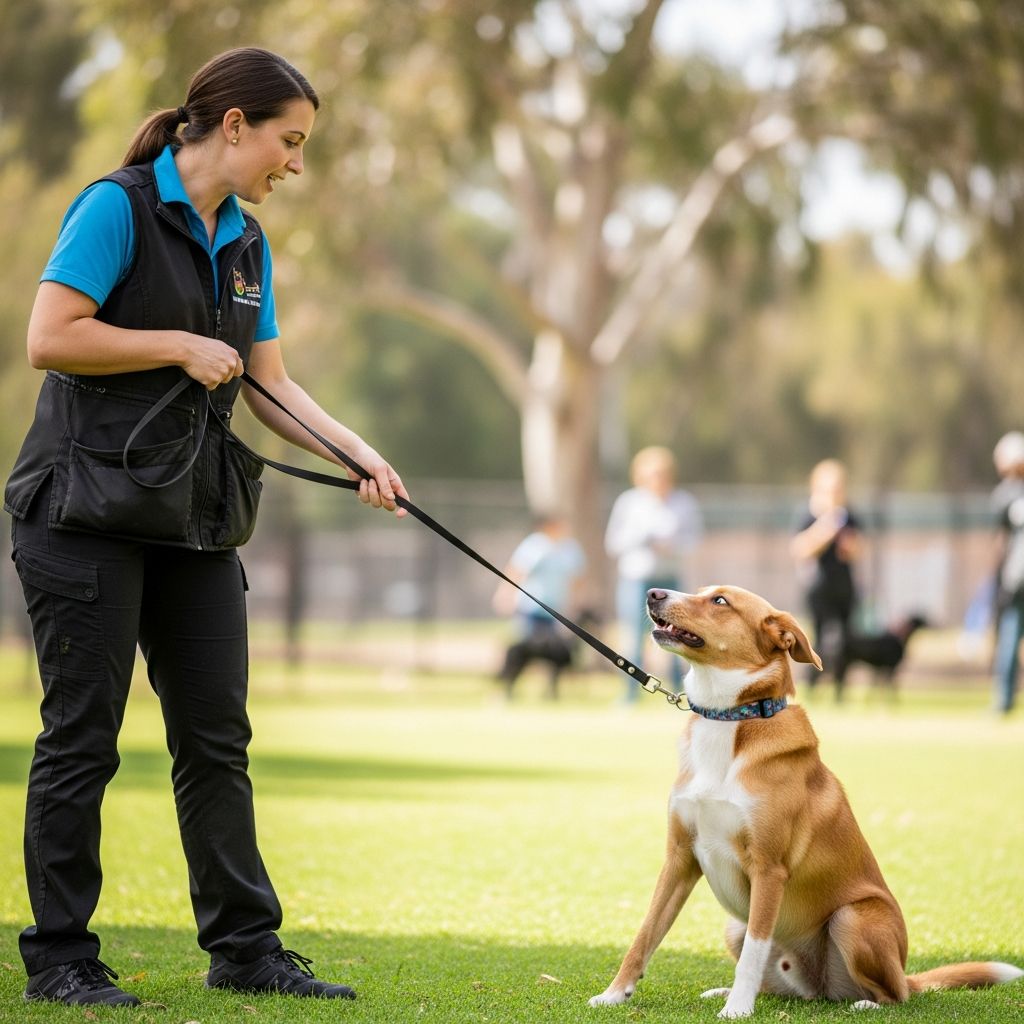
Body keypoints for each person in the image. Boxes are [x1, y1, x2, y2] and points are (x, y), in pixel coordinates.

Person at [4, 48, 409, 1007]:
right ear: (234, 125)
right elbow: (49, 337)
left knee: (216, 737)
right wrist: (178, 345)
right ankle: (62, 957)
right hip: (81, 515)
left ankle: (245, 949)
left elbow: (268, 380)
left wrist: (359, 452)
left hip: (192, 517)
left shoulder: (246, 241)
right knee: (83, 738)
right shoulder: (118, 206)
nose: (295, 163)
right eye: (290, 140)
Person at [604, 447, 703, 702]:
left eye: (661, 474)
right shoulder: (629, 502)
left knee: (677, 637)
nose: (657, 479)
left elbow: (694, 540)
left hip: (669, 580)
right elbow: (613, 543)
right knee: (633, 638)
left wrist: (672, 546)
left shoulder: (683, 502)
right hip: (636, 579)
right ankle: (630, 694)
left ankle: (680, 691)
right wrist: (642, 538)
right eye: (651, 474)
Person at [790, 458, 862, 696]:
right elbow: (799, 549)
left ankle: (840, 690)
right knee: (817, 640)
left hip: (844, 586)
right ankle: (811, 687)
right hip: (818, 587)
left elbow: (859, 549)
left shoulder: (849, 516)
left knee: (845, 639)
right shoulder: (809, 515)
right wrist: (824, 532)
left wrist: (850, 546)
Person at [493, 515, 586, 700]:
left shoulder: (570, 549)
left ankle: (549, 693)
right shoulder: (534, 545)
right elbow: (516, 571)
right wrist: (505, 595)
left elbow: (577, 579)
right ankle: (507, 690)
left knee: (552, 654)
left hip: (555, 611)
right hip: (530, 608)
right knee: (524, 651)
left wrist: (575, 603)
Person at [989, 431, 1024, 714]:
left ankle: (1003, 700)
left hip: (1016, 578)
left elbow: (999, 543)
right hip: (1017, 577)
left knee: (1010, 634)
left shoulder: (1005, 495)